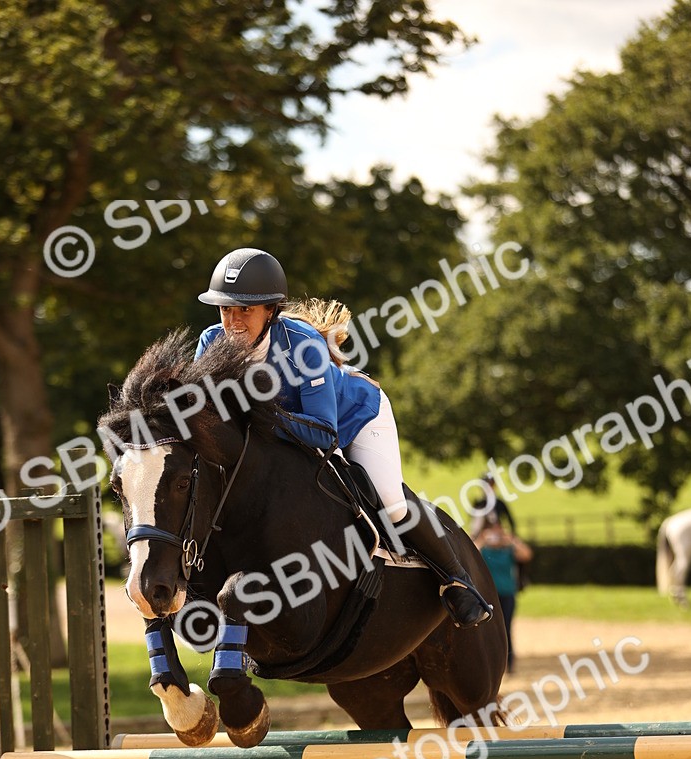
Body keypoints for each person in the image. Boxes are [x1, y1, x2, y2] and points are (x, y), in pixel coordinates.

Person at [193, 246, 492, 628]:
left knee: (389, 502)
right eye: (225, 309)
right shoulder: (210, 343)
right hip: (284, 441)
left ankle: (456, 579)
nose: (232, 321)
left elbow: (324, 432)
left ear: (270, 310)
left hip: (357, 418)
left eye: (244, 310)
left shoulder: (303, 345)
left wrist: (261, 415)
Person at [473, 513, 533, 672]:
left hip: (507, 594)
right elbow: (471, 554)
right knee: (486, 630)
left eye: (498, 530)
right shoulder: (484, 550)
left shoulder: (509, 550)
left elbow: (527, 555)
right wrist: (482, 539)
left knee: (506, 628)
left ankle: (509, 662)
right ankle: (490, 662)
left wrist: (512, 540)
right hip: (487, 597)